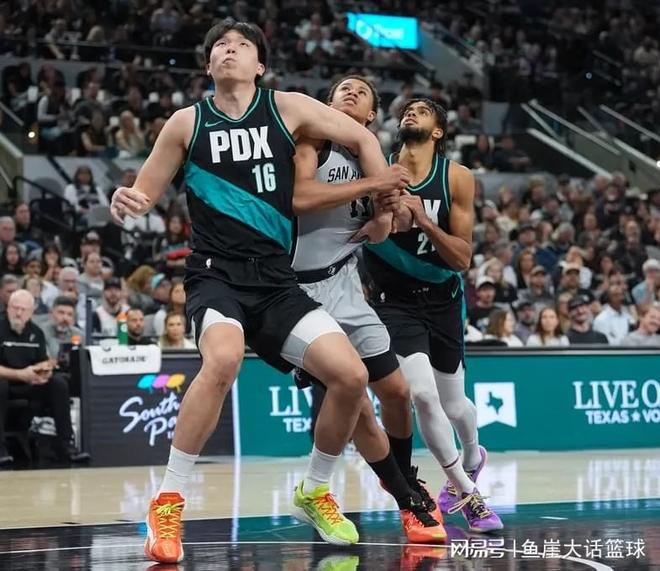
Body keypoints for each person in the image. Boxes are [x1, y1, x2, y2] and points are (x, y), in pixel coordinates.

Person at [110, 19, 410, 562]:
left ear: (260, 65)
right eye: (220, 46)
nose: (229, 50)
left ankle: (314, 490)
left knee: (350, 377)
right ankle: (168, 500)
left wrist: (384, 204)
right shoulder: (186, 122)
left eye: (241, 45)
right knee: (223, 359)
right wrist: (125, 200)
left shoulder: (287, 108)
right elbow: (143, 194)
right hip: (216, 274)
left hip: (275, 279)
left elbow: (364, 136)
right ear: (209, 65)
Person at [292, 74, 446, 542]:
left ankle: (402, 474)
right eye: (343, 88)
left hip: (344, 284)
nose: (352, 92)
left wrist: (386, 215)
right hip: (298, 291)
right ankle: (406, 499)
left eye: (362, 92)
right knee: (358, 402)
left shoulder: (370, 153)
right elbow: (299, 199)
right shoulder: (313, 142)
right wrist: (373, 186)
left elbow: (392, 218)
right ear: (327, 103)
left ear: (372, 115)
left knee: (397, 392)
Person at [363, 98, 502, 532]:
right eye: (408, 109)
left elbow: (462, 258)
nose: (411, 113)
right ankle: (467, 493)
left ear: (438, 131)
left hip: (443, 297)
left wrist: (424, 221)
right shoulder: (376, 167)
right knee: (422, 394)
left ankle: (474, 454)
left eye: (422, 111)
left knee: (454, 403)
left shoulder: (457, 177)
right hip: (393, 300)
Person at [0, 291, 86, 466]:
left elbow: (41, 362)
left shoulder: (36, 333)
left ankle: (65, 444)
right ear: (8, 308)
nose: (18, 313)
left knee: (58, 383)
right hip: (6, 382)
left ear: (31, 312)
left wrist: (44, 371)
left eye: (23, 309)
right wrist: (19, 374)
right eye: (15, 308)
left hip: (30, 384)